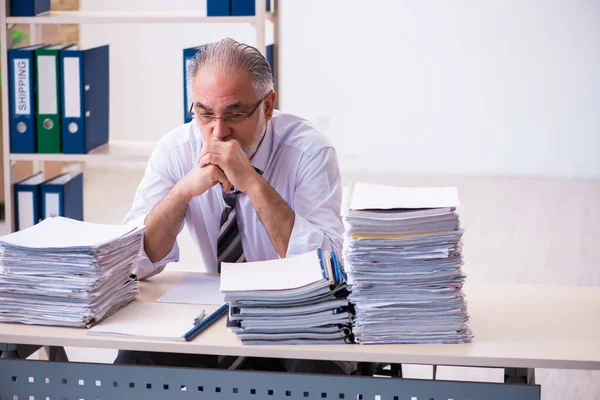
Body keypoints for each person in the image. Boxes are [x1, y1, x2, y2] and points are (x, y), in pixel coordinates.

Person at [116, 38, 356, 375]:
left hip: (297, 314)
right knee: (133, 363)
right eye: (204, 114)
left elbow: (327, 270)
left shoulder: (309, 153)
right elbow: (134, 264)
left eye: (235, 114)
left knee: (315, 372)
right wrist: (182, 192)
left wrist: (253, 184)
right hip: (218, 311)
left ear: (268, 107)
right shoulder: (175, 150)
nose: (218, 131)